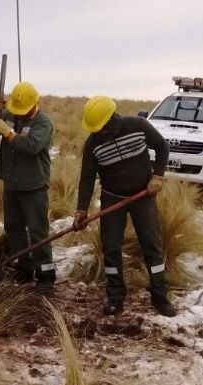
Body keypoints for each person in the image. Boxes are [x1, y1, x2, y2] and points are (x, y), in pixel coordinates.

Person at [73, 95, 176, 317]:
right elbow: (87, 179)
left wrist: (157, 176)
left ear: (111, 119)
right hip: (112, 198)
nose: (98, 132)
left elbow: (162, 147)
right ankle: (115, 297)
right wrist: (81, 209)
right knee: (110, 248)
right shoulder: (92, 144)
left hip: (143, 196)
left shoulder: (137, 126)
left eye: (100, 127)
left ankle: (160, 297)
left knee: (152, 246)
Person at [0, 81, 56, 292]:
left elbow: (32, 146)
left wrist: (8, 132)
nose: (19, 114)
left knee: (38, 232)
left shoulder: (43, 122)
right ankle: (24, 268)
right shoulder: (10, 115)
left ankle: (45, 276)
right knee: (14, 228)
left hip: (34, 185)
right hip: (12, 183)